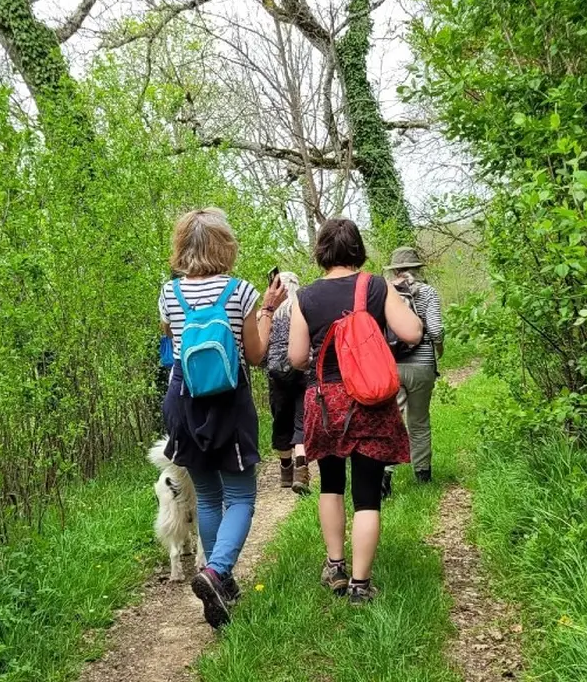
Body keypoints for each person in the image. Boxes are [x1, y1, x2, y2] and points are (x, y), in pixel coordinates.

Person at [160, 208, 287, 628]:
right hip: (229, 402)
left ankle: (221, 585)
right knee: (242, 497)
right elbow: (255, 355)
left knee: (211, 498)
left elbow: (170, 344)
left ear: (182, 246)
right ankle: (217, 572)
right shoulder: (240, 291)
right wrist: (267, 312)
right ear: (224, 245)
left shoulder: (168, 293)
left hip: (184, 401)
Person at [287, 218, 423, 604]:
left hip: (325, 403)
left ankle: (335, 565)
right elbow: (412, 332)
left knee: (331, 485)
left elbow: (297, 358)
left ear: (322, 253)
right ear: (358, 249)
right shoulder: (376, 286)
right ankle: (361, 586)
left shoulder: (306, 297)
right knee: (366, 495)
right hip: (369, 400)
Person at [384, 247, 445, 493]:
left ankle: (384, 479)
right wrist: (438, 348)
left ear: (395, 269)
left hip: (391, 365)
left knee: (391, 421)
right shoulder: (428, 292)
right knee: (419, 421)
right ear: (418, 269)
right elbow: (436, 330)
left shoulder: (384, 292)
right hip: (422, 366)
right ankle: (422, 475)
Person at [265, 271, 310, 493]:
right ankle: (301, 471)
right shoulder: (302, 308)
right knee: (301, 419)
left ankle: (285, 471)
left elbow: (261, 348)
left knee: (281, 420)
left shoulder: (268, 313)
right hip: (302, 370)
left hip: (276, 375)